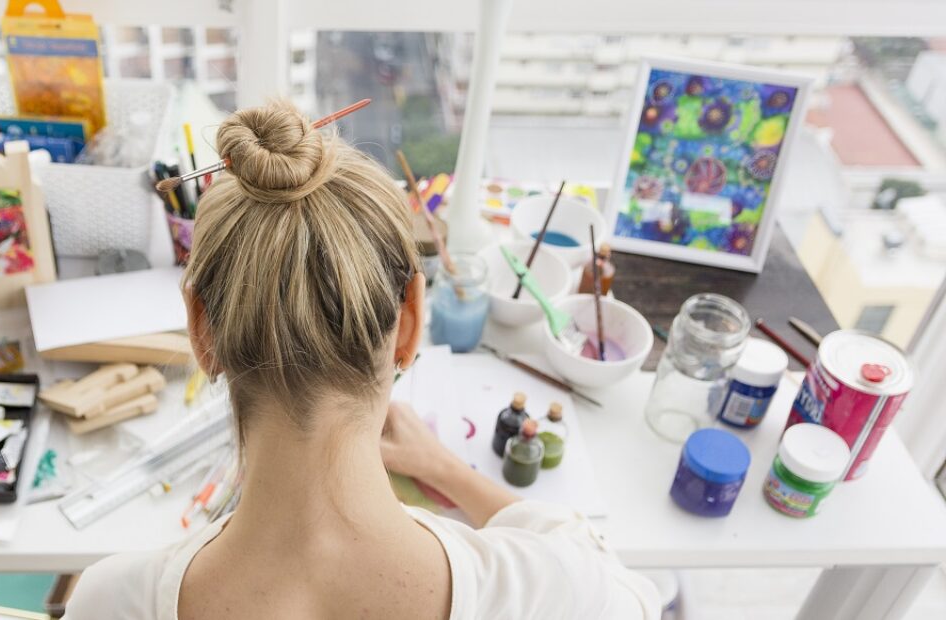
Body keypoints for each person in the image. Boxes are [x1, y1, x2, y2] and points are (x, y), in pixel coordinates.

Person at [65, 100, 659, 619]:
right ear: (410, 322)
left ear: (201, 331)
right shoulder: (547, 588)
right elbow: (625, 587)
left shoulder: (110, 601)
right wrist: (451, 472)